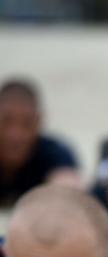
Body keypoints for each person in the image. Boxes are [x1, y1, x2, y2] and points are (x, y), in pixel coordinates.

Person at [0, 78, 82, 208]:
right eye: (6, 122)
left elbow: (70, 197)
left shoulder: (56, 152)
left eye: (27, 123)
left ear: (39, 121)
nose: (16, 135)